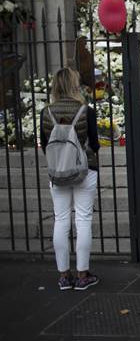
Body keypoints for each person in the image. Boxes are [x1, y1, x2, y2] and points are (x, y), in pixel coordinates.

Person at [40, 67, 100, 291]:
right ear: (74, 85)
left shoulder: (46, 112)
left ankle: (64, 276)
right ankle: (83, 275)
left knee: (61, 219)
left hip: (57, 172)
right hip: (85, 170)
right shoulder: (86, 110)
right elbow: (94, 143)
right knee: (83, 220)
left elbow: (45, 144)